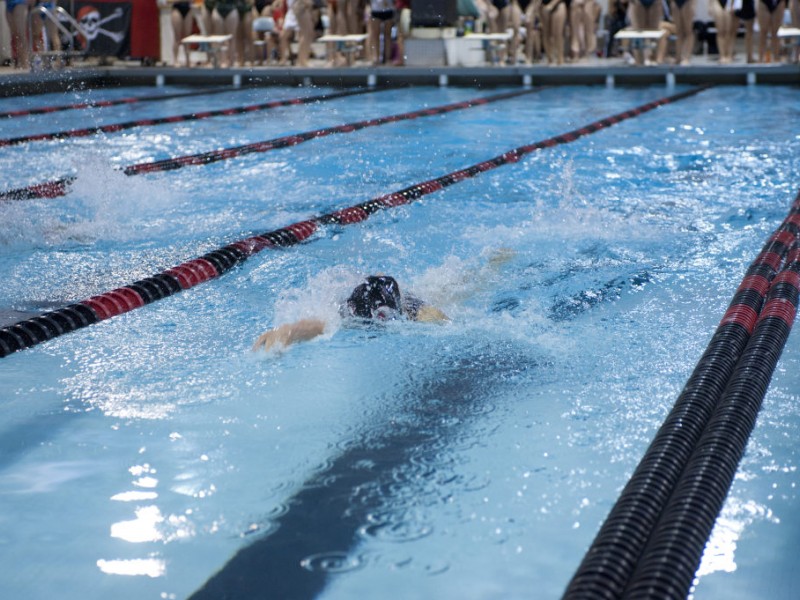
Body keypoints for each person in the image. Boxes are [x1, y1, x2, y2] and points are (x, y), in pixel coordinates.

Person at [253, 275, 449, 351]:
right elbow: (319, 325)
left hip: (409, 303)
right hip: (370, 297)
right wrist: (286, 332)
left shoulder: (418, 310)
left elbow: (446, 322)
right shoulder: (349, 311)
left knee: (445, 293)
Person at [5, 0, 31, 70]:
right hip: (8, 3)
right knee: (15, 36)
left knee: (21, 34)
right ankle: (19, 61)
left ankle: (25, 62)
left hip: (20, 2)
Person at [669, 0, 694, 64]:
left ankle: (686, 57)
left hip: (687, 2)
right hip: (675, 2)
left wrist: (693, 4)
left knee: (688, 31)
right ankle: (678, 57)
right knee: (678, 31)